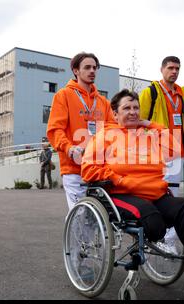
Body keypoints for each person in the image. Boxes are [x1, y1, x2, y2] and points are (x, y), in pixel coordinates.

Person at [81, 89, 184, 288]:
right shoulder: (104, 136)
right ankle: (152, 238)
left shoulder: (147, 135)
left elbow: (175, 150)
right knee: (152, 220)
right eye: (126, 108)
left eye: (136, 108)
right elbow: (88, 169)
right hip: (121, 193)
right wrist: (117, 178)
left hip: (155, 193)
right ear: (114, 114)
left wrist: (151, 124)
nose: (133, 112)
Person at [47, 52, 115, 209]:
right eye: (87, 67)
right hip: (74, 168)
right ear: (76, 70)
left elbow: (112, 130)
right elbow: (55, 130)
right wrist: (69, 148)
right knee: (80, 214)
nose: (92, 71)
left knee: (99, 217)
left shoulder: (103, 102)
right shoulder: (63, 96)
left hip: (99, 169)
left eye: (95, 68)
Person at [139, 56, 184, 197]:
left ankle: (169, 218)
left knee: (173, 191)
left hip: (178, 151)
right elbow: (139, 121)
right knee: (156, 191)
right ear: (162, 70)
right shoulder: (150, 92)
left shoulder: (183, 94)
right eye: (170, 68)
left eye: (177, 69)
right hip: (158, 151)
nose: (174, 71)